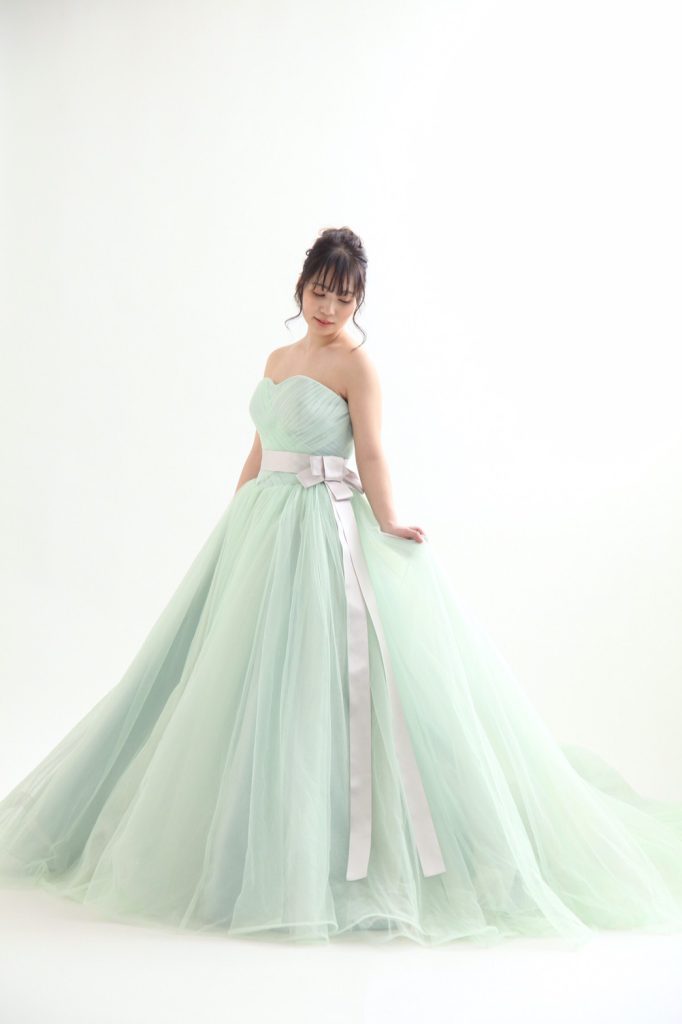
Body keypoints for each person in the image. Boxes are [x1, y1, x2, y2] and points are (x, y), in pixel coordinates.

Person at [1, 226, 681, 948]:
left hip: (321, 531)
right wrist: (235, 521)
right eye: (321, 292)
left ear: (360, 301)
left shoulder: (358, 366)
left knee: (321, 682)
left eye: (345, 297)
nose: (330, 308)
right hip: (264, 524)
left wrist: (388, 521)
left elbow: (373, 451)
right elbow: (260, 447)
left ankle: (328, 852)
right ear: (301, 288)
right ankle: (237, 842)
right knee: (235, 679)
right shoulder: (278, 358)